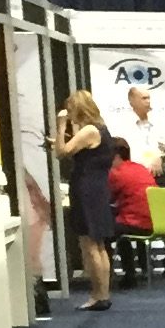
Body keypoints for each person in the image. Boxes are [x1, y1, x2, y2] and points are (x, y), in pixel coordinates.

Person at [54, 89, 115, 310]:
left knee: (89, 243)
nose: (69, 114)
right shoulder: (101, 129)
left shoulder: (88, 129)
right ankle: (103, 293)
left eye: (70, 110)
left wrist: (61, 126)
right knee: (98, 244)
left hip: (85, 189)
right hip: (97, 189)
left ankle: (98, 295)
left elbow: (61, 152)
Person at [107, 138, 157, 286]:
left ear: (115, 157)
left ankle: (116, 276)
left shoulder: (116, 173)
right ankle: (142, 268)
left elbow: (107, 197)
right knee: (122, 224)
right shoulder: (141, 168)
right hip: (154, 222)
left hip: (136, 223)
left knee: (104, 232)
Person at [120, 85, 165, 179]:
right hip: (134, 176)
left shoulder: (159, 122)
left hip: (157, 174)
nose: (148, 101)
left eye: (149, 98)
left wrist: (160, 158)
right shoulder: (122, 125)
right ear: (132, 101)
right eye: (144, 98)